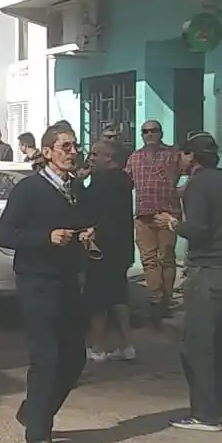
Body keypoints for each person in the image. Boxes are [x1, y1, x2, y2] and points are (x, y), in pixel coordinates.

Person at [0, 122, 95, 443]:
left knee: (74, 358)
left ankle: (34, 410)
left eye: (74, 146)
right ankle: (39, 432)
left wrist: (84, 235)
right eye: (64, 147)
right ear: (48, 152)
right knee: (46, 358)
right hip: (36, 282)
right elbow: (4, 234)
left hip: (67, 281)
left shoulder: (75, 188)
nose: (72, 153)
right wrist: (45, 238)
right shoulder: (29, 189)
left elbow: (79, 221)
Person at [155, 132, 222, 432]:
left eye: (182, 154)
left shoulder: (197, 184)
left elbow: (198, 230)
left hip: (208, 271)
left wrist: (172, 223)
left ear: (191, 156)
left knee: (197, 344)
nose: (178, 159)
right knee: (220, 342)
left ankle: (205, 414)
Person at [81, 140, 136, 363]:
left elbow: (87, 206)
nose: (91, 159)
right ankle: (126, 344)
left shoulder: (103, 182)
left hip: (102, 248)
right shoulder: (123, 180)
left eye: (96, 155)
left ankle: (98, 346)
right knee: (118, 297)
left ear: (110, 158)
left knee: (98, 300)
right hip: (121, 249)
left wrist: (78, 183)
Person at [125, 119, 180, 320]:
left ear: (160, 133)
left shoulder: (172, 156)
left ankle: (166, 298)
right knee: (149, 260)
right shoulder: (135, 158)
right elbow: (125, 183)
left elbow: (191, 172)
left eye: (153, 131)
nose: (149, 134)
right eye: (145, 131)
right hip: (143, 216)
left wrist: (184, 192)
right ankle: (156, 300)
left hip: (167, 214)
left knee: (166, 258)